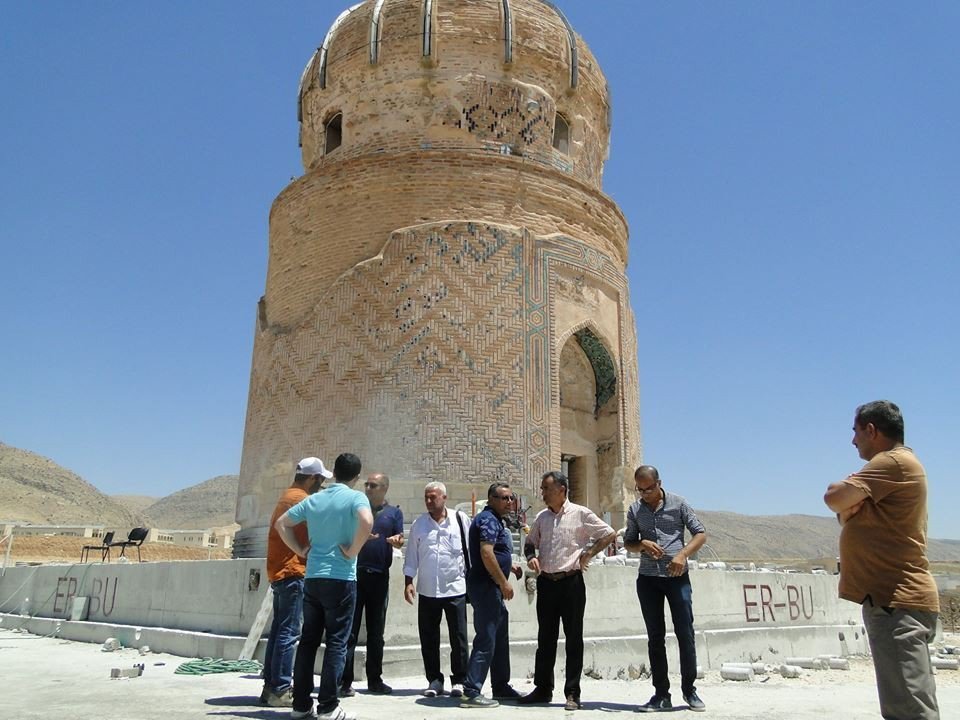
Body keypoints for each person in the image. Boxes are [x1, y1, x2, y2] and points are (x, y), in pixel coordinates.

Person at [824, 400, 940, 720]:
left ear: (872, 430)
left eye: (856, 431)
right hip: (889, 602)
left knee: (910, 708)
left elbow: (834, 498)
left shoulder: (893, 462)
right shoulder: (893, 467)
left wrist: (848, 492)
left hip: (897, 601)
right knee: (901, 702)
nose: (853, 440)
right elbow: (846, 513)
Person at [275, 453, 373, 720]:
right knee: (337, 643)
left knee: (307, 642)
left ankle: (300, 705)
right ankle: (328, 706)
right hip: (341, 578)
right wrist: (353, 550)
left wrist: (299, 550)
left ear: (334, 473)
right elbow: (366, 521)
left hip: (313, 577)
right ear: (356, 476)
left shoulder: (315, 499)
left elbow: (281, 524)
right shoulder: (355, 497)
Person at [519, 470, 616, 710]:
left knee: (573, 639)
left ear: (561, 490)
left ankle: (572, 693)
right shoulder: (542, 517)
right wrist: (531, 557)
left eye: (546, 489)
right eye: (542, 489)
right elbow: (530, 543)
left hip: (571, 583)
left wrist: (589, 553)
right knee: (546, 639)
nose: (542, 493)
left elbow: (609, 534)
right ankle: (542, 689)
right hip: (547, 583)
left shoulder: (581, 514)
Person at [623, 465, 706, 713]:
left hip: (677, 577)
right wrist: (642, 544)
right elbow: (628, 542)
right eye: (640, 490)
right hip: (648, 579)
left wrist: (682, 555)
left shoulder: (679, 504)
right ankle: (661, 694)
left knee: (685, 633)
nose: (645, 494)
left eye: (649, 488)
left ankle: (690, 691)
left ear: (659, 483)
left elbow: (700, 534)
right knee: (655, 637)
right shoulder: (635, 509)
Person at [261, 457, 332, 707]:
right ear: (312, 478)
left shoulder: (287, 495)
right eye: (320, 480)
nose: (321, 485)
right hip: (292, 572)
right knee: (289, 633)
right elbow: (314, 531)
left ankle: (271, 686)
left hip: (280, 572)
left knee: (280, 631)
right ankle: (280, 688)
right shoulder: (301, 500)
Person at [403, 481, 471, 698]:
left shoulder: (460, 520)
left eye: (433, 497)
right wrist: (408, 582)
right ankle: (434, 679)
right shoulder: (419, 525)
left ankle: (460, 679)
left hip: (455, 588)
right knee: (429, 637)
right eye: (426, 497)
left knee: (458, 637)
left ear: (444, 498)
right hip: (428, 590)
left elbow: (471, 550)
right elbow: (411, 556)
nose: (429, 501)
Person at [460, 481, 522, 709]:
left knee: (499, 635)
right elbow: (486, 553)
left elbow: (494, 552)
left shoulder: (496, 520)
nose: (509, 502)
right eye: (504, 498)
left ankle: (501, 685)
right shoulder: (487, 519)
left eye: (511, 498)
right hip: (487, 587)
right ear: (492, 499)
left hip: (491, 586)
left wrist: (510, 566)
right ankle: (471, 691)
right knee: (486, 637)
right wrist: (503, 582)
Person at [341, 472, 404, 696]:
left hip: (379, 577)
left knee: (376, 632)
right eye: (366, 484)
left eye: (373, 485)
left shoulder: (394, 512)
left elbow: (400, 538)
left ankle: (374, 680)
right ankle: (344, 681)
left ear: (384, 488)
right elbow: (344, 534)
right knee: (349, 631)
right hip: (354, 575)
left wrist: (397, 542)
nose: (368, 488)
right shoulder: (357, 509)